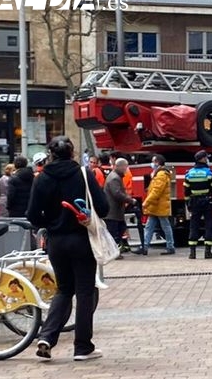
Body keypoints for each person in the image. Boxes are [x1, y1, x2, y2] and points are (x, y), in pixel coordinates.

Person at [26, 135, 109, 361]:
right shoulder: (84, 174)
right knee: (84, 291)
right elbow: (103, 207)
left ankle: (47, 336)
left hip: (56, 242)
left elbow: (32, 215)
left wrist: (51, 223)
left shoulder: (42, 179)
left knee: (63, 289)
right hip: (82, 240)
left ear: (50, 154)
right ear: (72, 153)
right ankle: (82, 347)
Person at [133, 154, 176, 255]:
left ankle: (168, 246)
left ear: (157, 162)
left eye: (153, 161)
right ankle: (145, 246)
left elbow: (156, 191)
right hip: (157, 206)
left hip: (158, 205)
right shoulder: (159, 174)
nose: (152, 163)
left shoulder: (161, 175)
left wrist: (146, 202)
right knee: (152, 226)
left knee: (164, 226)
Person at [183, 150, 212, 259]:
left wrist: (188, 204)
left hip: (194, 202)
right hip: (207, 201)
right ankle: (208, 252)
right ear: (203, 159)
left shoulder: (189, 173)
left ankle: (192, 253)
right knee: (209, 225)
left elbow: (186, 191)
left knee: (193, 225)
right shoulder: (209, 173)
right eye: (206, 157)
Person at [103, 157, 135, 255]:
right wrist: (130, 200)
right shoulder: (114, 178)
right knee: (113, 234)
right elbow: (117, 194)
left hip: (116, 212)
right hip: (113, 212)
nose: (126, 169)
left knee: (120, 230)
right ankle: (112, 253)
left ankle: (116, 251)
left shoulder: (116, 176)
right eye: (125, 167)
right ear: (119, 166)